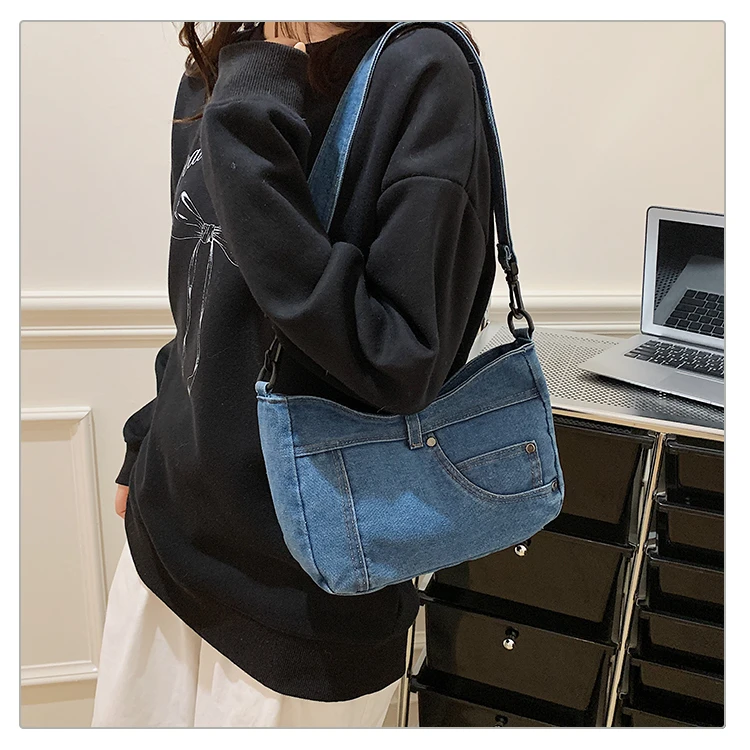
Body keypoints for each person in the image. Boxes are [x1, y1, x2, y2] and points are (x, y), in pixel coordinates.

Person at [91, 20, 496, 728]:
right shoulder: (222, 64)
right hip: (165, 548)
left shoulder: (421, 71)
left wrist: (254, 109)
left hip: (305, 609)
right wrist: (147, 435)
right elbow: (207, 289)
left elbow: (397, 360)